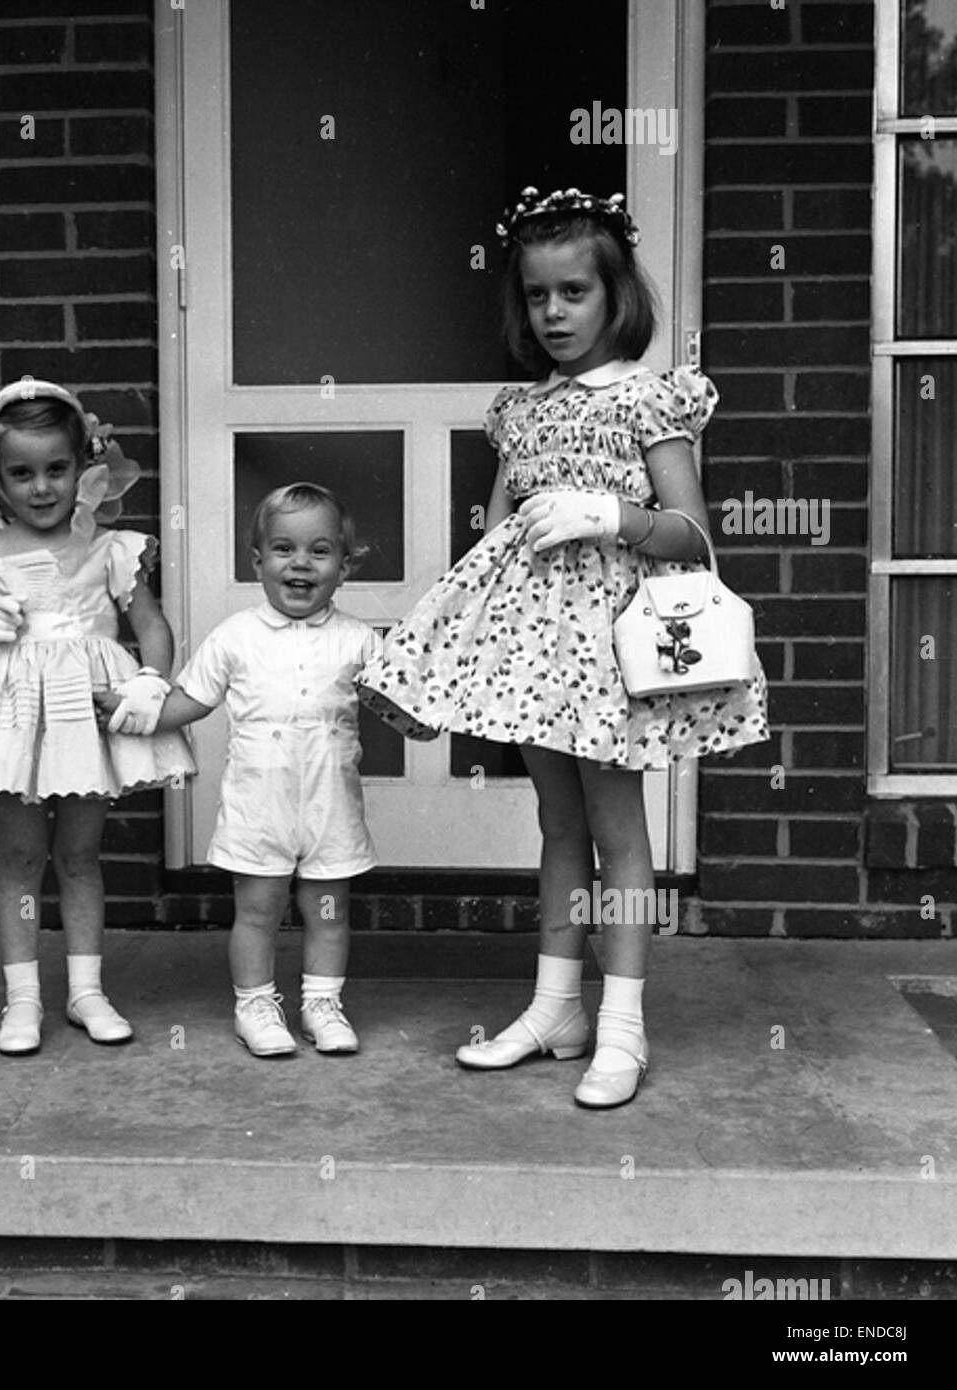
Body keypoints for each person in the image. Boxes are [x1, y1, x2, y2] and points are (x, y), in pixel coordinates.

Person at [356, 188, 768, 1108]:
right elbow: (495, 543)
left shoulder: (650, 399)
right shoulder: (522, 411)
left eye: (574, 292)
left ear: (614, 294)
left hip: (616, 650)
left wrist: (613, 516)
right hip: (538, 655)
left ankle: (622, 1022)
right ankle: (555, 1005)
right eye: (538, 296)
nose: (554, 313)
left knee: (619, 828)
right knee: (556, 823)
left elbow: (692, 535)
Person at [0, 378, 195, 1056]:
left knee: (78, 854)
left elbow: (149, 624)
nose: (41, 488)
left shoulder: (111, 549)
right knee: (18, 853)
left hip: (81, 720)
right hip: (11, 718)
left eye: (57, 470)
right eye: (22, 474)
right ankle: (22, 997)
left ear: (84, 469)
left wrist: (151, 684)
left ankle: (86, 991)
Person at [97, 483, 377, 1058]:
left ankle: (322, 1004)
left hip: (331, 805)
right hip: (260, 807)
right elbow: (188, 702)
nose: (300, 562)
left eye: (320, 551)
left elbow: (398, 704)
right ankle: (255, 1004)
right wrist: (129, 710)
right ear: (257, 562)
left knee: (329, 910)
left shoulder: (360, 640)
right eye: (283, 549)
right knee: (257, 909)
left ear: (344, 567)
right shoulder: (235, 638)